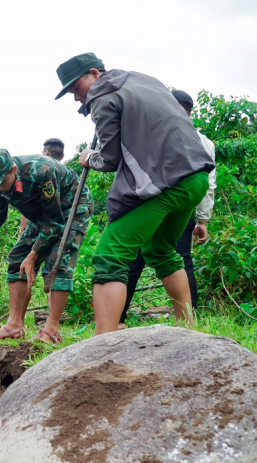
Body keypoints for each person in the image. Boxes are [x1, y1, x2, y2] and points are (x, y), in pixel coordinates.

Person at [55, 52, 215, 334]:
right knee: (160, 250)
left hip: (164, 182)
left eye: (76, 88)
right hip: (196, 179)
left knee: (110, 254)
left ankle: (103, 343)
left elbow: (110, 158)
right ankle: (187, 329)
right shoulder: (144, 80)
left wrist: (89, 157)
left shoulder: (103, 95)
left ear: (94, 74)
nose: (77, 97)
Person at [0, 149, 94, 343]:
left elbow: (54, 223)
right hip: (41, 213)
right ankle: (14, 325)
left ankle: (51, 329)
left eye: (2, 182)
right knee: (17, 258)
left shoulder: (42, 172)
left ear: (13, 170)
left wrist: (33, 255)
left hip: (72, 206)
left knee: (58, 260)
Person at [119, 89, 217, 328]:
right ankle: (189, 320)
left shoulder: (151, 132)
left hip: (148, 206)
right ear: (190, 112)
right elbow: (208, 184)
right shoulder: (204, 142)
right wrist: (203, 220)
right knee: (182, 260)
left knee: (133, 261)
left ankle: (118, 319)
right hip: (182, 209)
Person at [19, 138, 69, 234]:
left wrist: (22, 230)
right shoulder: (68, 176)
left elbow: (28, 203)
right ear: (62, 156)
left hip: (42, 223)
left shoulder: (39, 173)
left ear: (46, 153)